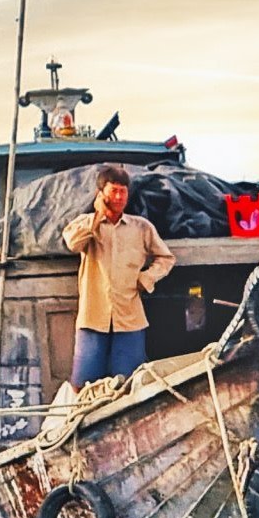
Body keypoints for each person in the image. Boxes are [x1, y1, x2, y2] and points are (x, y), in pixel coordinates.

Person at [62, 165, 175, 385]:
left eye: (123, 191)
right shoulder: (84, 224)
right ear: (100, 194)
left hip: (129, 320)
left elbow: (166, 258)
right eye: (113, 191)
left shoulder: (141, 228)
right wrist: (97, 217)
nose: (119, 197)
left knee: (128, 383)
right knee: (82, 383)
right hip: (92, 319)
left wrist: (147, 278)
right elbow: (73, 244)